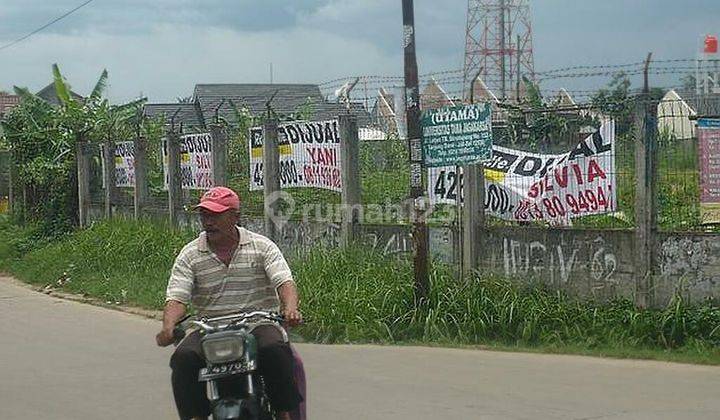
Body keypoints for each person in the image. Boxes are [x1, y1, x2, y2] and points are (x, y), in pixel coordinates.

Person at [155, 186, 303, 420]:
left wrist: (290, 308)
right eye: (204, 215)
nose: (208, 221)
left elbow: (284, 281)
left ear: (235, 216)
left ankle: (284, 413)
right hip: (209, 327)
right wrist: (168, 327)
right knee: (183, 359)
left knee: (275, 350)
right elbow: (177, 297)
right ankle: (195, 416)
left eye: (215, 215)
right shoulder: (190, 254)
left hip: (257, 322)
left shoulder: (261, 246)